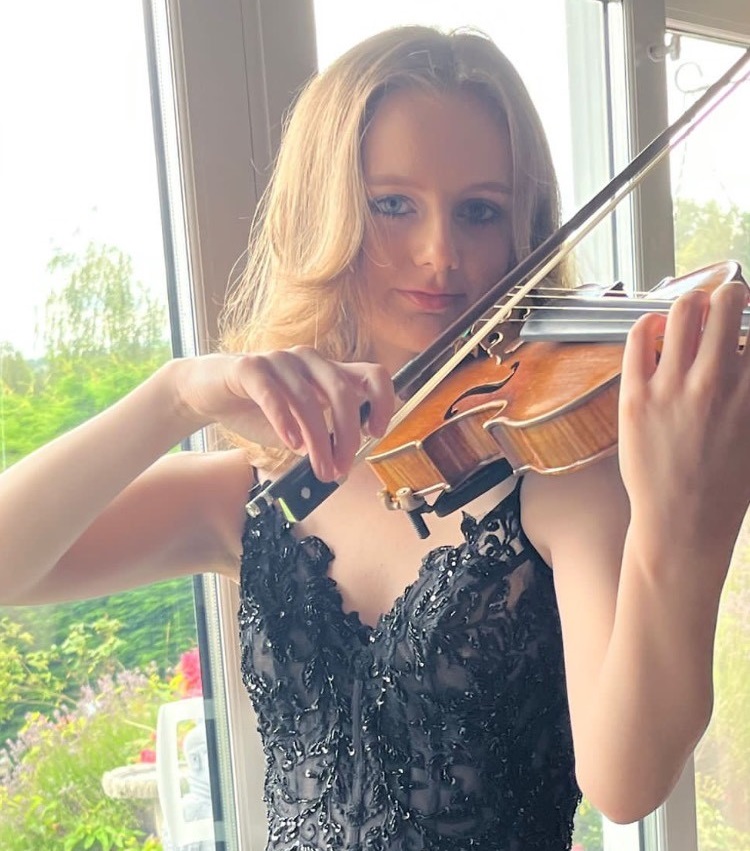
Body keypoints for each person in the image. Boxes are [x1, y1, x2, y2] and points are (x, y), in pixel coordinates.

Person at [1, 24, 749, 851]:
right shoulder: (270, 492)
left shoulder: (557, 472)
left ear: (523, 229)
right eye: (394, 204)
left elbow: (627, 779)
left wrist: (686, 521)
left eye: (480, 211)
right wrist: (176, 395)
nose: (440, 253)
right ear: (330, 215)